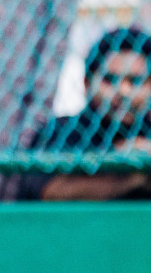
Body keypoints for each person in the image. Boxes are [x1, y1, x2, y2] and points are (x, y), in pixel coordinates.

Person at [14, 26, 151, 201]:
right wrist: (132, 175)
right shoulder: (61, 132)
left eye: (136, 81)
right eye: (110, 79)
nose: (123, 91)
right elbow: (50, 192)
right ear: (87, 84)